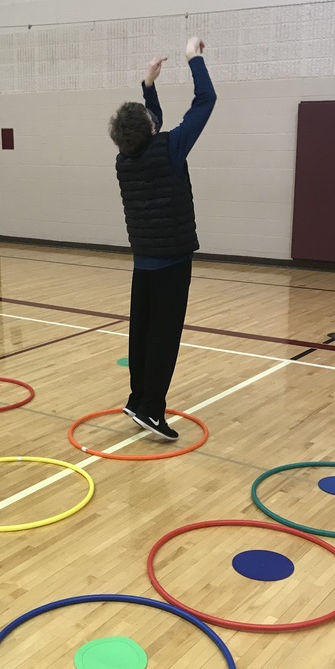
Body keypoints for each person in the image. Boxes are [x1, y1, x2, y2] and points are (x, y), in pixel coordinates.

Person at [108, 36, 216, 440]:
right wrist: (194, 59)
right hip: (171, 261)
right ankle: (151, 409)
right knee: (164, 338)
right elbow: (205, 103)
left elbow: (147, 125)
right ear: (153, 130)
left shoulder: (125, 159)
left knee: (142, 333)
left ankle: (139, 400)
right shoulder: (169, 148)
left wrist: (148, 86)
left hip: (144, 260)